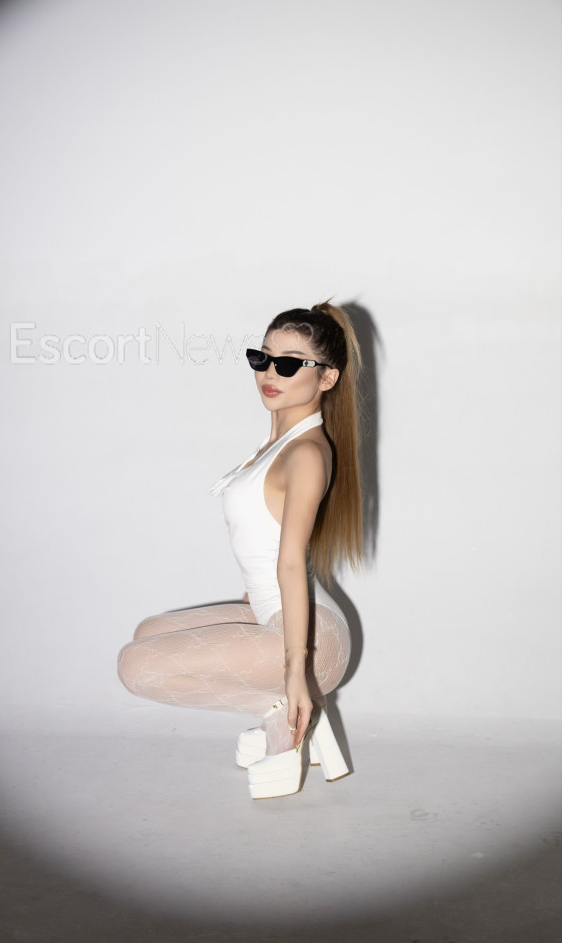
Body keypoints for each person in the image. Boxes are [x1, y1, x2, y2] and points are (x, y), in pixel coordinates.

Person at [117, 301, 364, 800]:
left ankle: (285, 715)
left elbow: (290, 562)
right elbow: (263, 544)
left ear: (327, 378)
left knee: (134, 665)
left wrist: (296, 671)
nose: (270, 373)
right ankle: (283, 712)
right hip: (274, 612)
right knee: (148, 634)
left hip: (313, 641)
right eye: (262, 358)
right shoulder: (276, 444)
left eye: (289, 363)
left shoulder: (307, 452)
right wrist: (251, 600)